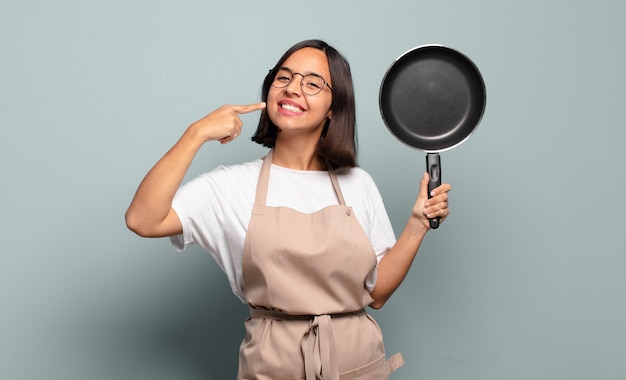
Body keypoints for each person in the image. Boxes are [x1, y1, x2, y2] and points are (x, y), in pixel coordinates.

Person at [125, 39, 451, 380]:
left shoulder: (358, 183)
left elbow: (377, 294)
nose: (293, 88)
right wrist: (195, 134)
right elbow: (142, 219)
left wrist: (417, 225)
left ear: (332, 107)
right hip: (273, 365)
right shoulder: (230, 187)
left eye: (312, 83)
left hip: (358, 363)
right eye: (283, 78)